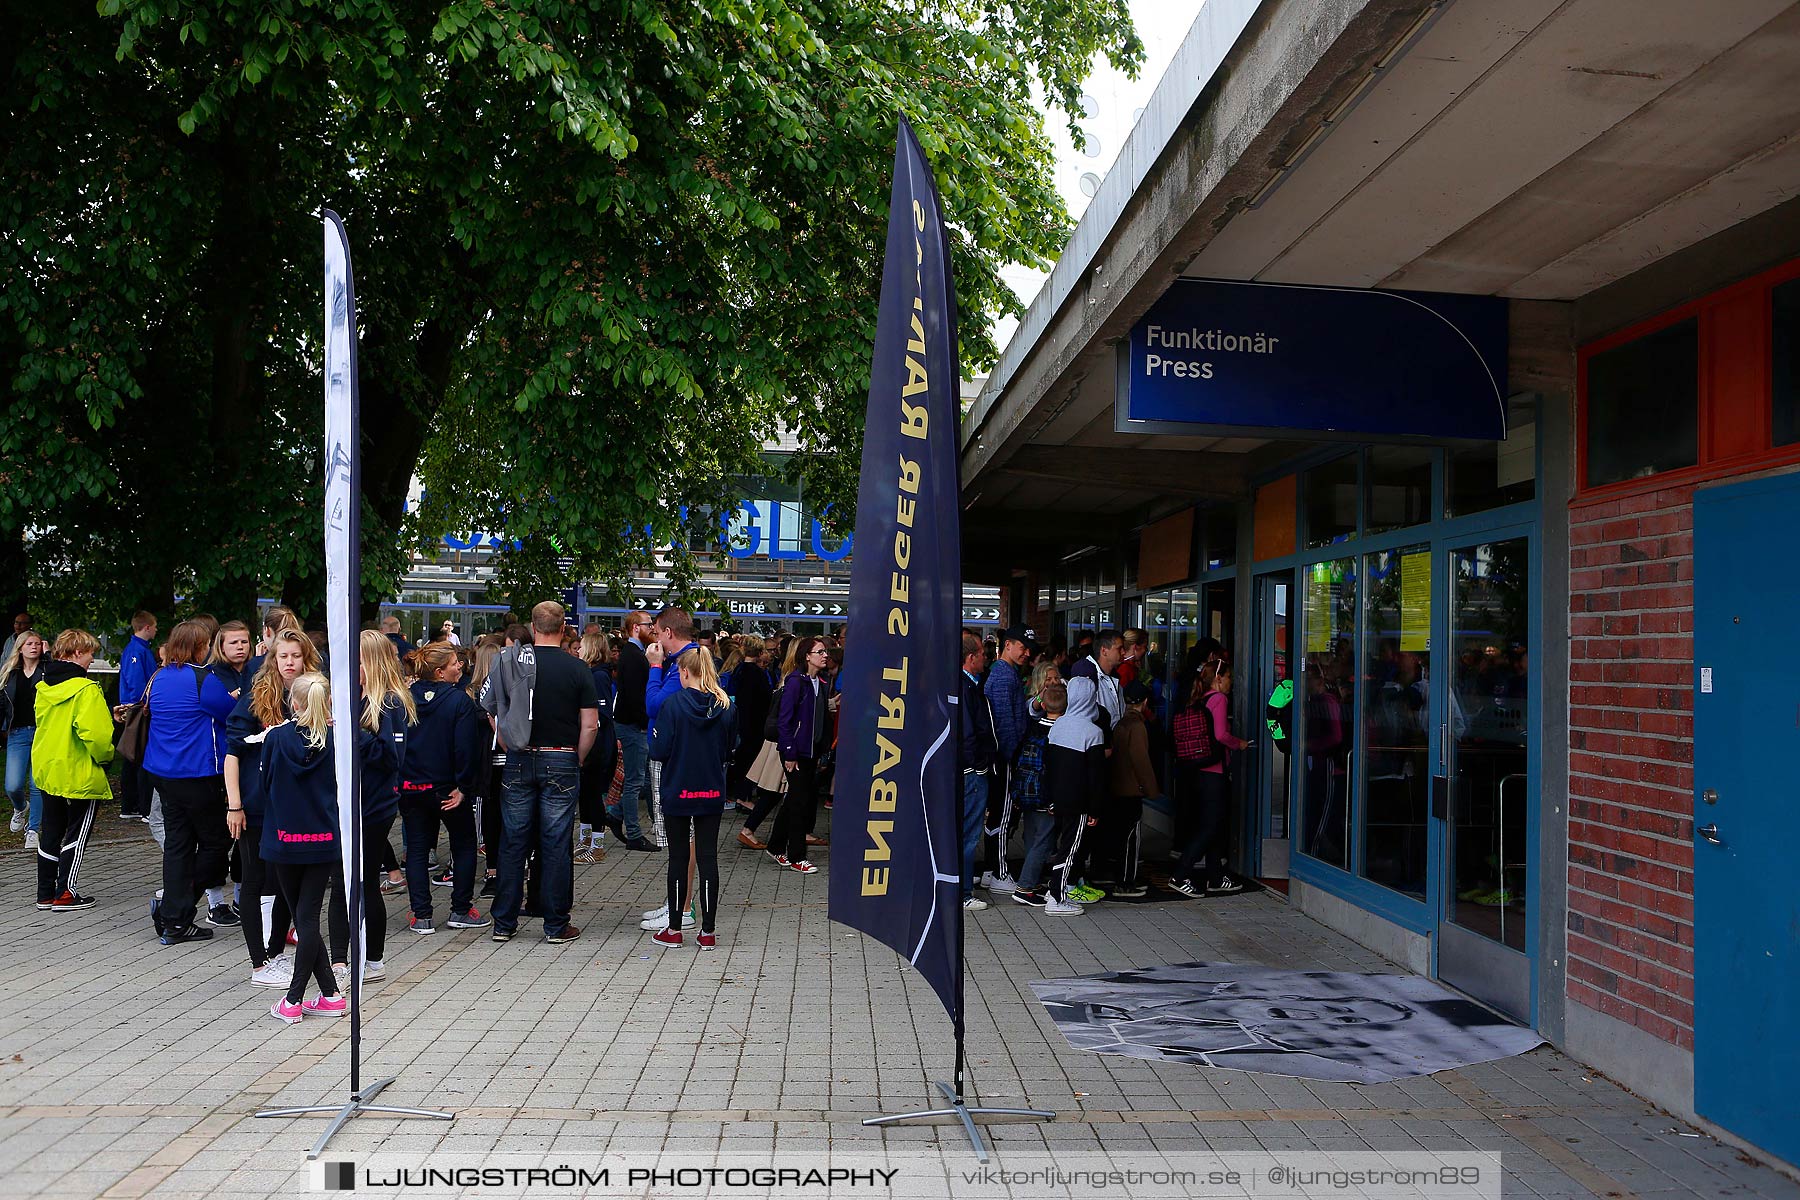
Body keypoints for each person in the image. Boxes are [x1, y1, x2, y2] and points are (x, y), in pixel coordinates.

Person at [481, 601, 599, 945]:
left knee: (513, 841)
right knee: (556, 841)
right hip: (561, 757)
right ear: (564, 628)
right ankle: (555, 923)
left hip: (519, 756)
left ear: (533, 628)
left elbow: (491, 710)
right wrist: (577, 757)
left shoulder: (512, 663)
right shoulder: (577, 669)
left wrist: (507, 742)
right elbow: (590, 724)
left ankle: (503, 922)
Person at [225, 629, 316, 989]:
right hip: (256, 804)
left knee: (285, 882)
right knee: (254, 878)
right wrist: (235, 805)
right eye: (283, 656)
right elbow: (233, 753)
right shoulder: (255, 696)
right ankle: (259, 962)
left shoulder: (314, 694)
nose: (289, 662)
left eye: (296, 656)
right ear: (273, 659)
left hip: (296, 805)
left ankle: (276, 951)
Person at [260, 672, 351, 1023]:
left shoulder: (276, 738)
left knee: (303, 917)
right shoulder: (336, 740)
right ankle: (329, 993)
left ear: (293, 703)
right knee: (306, 916)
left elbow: (264, 783)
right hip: (324, 838)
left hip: (284, 838)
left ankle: (294, 998)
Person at [144, 619, 240, 943]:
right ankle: (177, 910)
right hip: (196, 771)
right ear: (201, 647)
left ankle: (173, 918)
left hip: (161, 771)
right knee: (216, 842)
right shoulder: (202, 679)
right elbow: (232, 713)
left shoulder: (158, 676)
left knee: (178, 845)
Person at [328, 630, 414, 979]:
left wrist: (353, 732)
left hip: (373, 807)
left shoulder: (390, 702)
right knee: (342, 882)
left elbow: (389, 758)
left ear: (372, 662)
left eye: (357, 661)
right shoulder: (353, 696)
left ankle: (369, 960)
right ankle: (340, 961)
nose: (351, 668)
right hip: (344, 804)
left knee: (359, 882)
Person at [647, 646, 738, 949]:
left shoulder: (672, 705)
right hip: (712, 789)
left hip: (678, 789)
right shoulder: (725, 706)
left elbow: (659, 751)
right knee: (708, 858)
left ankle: (674, 929)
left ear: (684, 672)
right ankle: (708, 932)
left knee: (678, 858)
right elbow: (730, 749)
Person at [399, 643, 487, 934]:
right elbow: (465, 748)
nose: (460, 667)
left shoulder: (405, 700)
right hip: (448, 789)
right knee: (463, 844)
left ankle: (421, 915)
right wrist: (464, 786)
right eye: (454, 664)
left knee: (417, 849)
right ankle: (461, 909)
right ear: (439, 672)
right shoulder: (459, 702)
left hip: (412, 788)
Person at [31, 630, 115, 911]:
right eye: (91, 653)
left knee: (51, 829)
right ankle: (66, 892)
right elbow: (97, 736)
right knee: (77, 833)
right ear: (77, 653)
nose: (93, 659)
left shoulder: (44, 686)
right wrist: (106, 758)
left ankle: (45, 893)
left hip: (48, 766)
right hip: (79, 770)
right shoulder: (86, 689)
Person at [1171, 660, 1249, 896]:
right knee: (1211, 825)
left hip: (1197, 770)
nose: (1230, 683)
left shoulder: (1200, 697)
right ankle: (1181, 874)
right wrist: (1240, 744)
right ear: (1218, 678)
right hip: (1214, 771)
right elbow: (1220, 734)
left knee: (1213, 824)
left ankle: (1215, 875)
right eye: (1228, 678)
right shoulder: (1219, 699)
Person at [1042, 670, 1107, 916]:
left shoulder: (1059, 724)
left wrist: (1049, 798)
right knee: (1070, 849)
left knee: (1063, 845)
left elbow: (1048, 766)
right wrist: (1095, 809)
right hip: (1079, 802)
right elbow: (1096, 778)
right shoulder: (1093, 732)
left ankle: (1053, 890)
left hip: (1058, 798)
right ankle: (1057, 897)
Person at [765, 636, 830, 874]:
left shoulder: (820, 682)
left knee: (795, 798)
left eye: (825, 652)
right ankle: (796, 855)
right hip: (796, 750)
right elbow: (785, 719)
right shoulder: (795, 682)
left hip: (810, 750)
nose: (824, 655)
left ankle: (776, 845)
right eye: (819, 652)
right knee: (799, 801)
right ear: (807, 656)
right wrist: (790, 751)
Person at [980, 626, 1033, 895]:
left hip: (1002, 756)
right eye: (1022, 647)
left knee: (999, 814)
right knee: (1003, 815)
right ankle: (1000, 872)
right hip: (1005, 757)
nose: (1027, 652)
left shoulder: (1006, 673)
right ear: (1008, 645)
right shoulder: (1003, 675)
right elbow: (1003, 723)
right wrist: (1012, 755)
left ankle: (991, 870)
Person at [644, 607, 702, 849]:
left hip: (672, 752)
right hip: (684, 750)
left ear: (668, 632)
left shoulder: (684, 663)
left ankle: (682, 886)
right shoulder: (691, 657)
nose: (656, 639)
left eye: (657, 633)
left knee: (678, 833)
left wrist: (655, 667)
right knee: (685, 833)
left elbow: (655, 706)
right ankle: (683, 885)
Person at [1006, 682, 1062, 907]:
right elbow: (1057, 771)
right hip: (1046, 797)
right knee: (1044, 842)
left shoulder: (1032, 727)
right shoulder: (1059, 733)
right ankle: (1025, 886)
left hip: (1027, 793)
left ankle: (1033, 880)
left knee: (1030, 837)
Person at [1102, 681, 1160, 899]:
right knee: (1130, 839)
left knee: (1119, 836)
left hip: (1116, 788)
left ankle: (1121, 878)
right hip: (1131, 790)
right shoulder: (1137, 726)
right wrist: (1152, 789)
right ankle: (1125, 883)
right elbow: (1141, 760)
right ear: (1145, 702)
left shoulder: (1119, 724)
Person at [956, 633, 998, 910]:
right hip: (971, 771)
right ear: (971, 658)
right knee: (968, 833)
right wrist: (978, 766)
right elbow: (968, 731)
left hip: (971, 767)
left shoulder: (969, 685)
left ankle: (962, 882)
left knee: (965, 831)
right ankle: (963, 892)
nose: (986, 657)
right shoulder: (965, 687)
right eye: (982, 653)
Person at [611, 609, 656, 852]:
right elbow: (635, 697)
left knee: (635, 777)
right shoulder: (635, 656)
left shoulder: (633, 654)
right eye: (649, 624)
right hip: (633, 726)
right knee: (634, 780)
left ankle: (616, 814)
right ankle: (634, 834)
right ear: (636, 628)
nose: (652, 629)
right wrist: (644, 723)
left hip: (631, 724)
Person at [575, 630, 618, 864]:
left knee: (592, 793)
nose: (578, 650)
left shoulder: (599, 677)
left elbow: (602, 713)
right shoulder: (592, 674)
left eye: (582, 646)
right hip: (593, 740)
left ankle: (597, 845)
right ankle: (585, 839)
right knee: (585, 793)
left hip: (598, 743)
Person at [2, 630, 48, 846]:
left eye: (37, 644)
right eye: (29, 643)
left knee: (36, 783)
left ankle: (33, 829)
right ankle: (21, 807)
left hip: (43, 732)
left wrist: (48, 657)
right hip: (18, 732)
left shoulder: (47, 670)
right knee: (12, 785)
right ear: (20, 648)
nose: (34, 647)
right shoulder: (10, 673)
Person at [116, 611, 158, 819]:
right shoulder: (136, 651)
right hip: (139, 708)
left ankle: (131, 805)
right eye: (155, 626)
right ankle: (140, 806)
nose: (156, 630)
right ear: (147, 627)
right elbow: (135, 682)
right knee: (138, 755)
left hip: (137, 707)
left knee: (133, 755)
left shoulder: (139, 650)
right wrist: (141, 705)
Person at [1065, 630, 1125, 745]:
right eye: (1119, 648)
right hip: (1094, 747)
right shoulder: (1085, 676)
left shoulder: (1115, 677)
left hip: (1114, 746)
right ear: (1104, 651)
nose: (1123, 652)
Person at [207, 620, 254, 697]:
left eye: (244, 642)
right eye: (234, 643)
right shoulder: (213, 672)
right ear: (221, 647)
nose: (240, 647)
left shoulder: (255, 667)